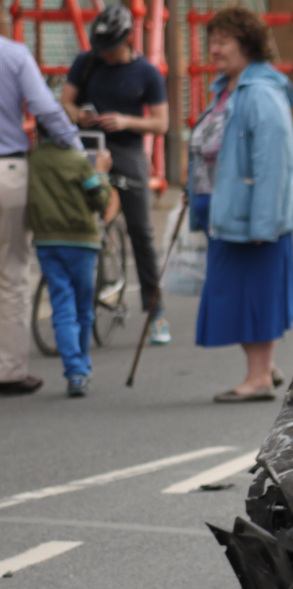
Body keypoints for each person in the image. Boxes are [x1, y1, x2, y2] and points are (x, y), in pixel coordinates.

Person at [188, 6, 293, 403]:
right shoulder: (230, 87)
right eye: (213, 41)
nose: (215, 49)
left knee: (252, 295)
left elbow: (273, 163)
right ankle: (264, 368)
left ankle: (258, 376)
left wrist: (264, 223)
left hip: (253, 217)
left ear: (247, 45)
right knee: (235, 293)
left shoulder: (260, 93)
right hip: (229, 209)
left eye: (223, 41)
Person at [61, 5, 171, 345]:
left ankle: (156, 313)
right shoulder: (87, 62)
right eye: (100, 48)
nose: (105, 55)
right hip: (90, 148)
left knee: (141, 232)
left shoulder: (146, 73)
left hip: (128, 151)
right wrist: (78, 115)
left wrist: (126, 121)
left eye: (110, 48)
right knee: (78, 224)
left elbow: (161, 123)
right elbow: (63, 102)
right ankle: (81, 304)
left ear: (126, 41)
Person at [0, 34, 82, 396]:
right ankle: (10, 369)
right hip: (7, 171)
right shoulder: (13, 54)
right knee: (11, 271)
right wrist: (78, 150)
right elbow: (46, 108)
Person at [27, 134, 118, 396]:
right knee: (83, 308)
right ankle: (82, 366)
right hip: (81, 241)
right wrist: (101, 173)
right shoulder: (77, 161)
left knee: (61, 306)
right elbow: (100, 199)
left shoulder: (33, 160)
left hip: (47, 240)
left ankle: (74, 370)